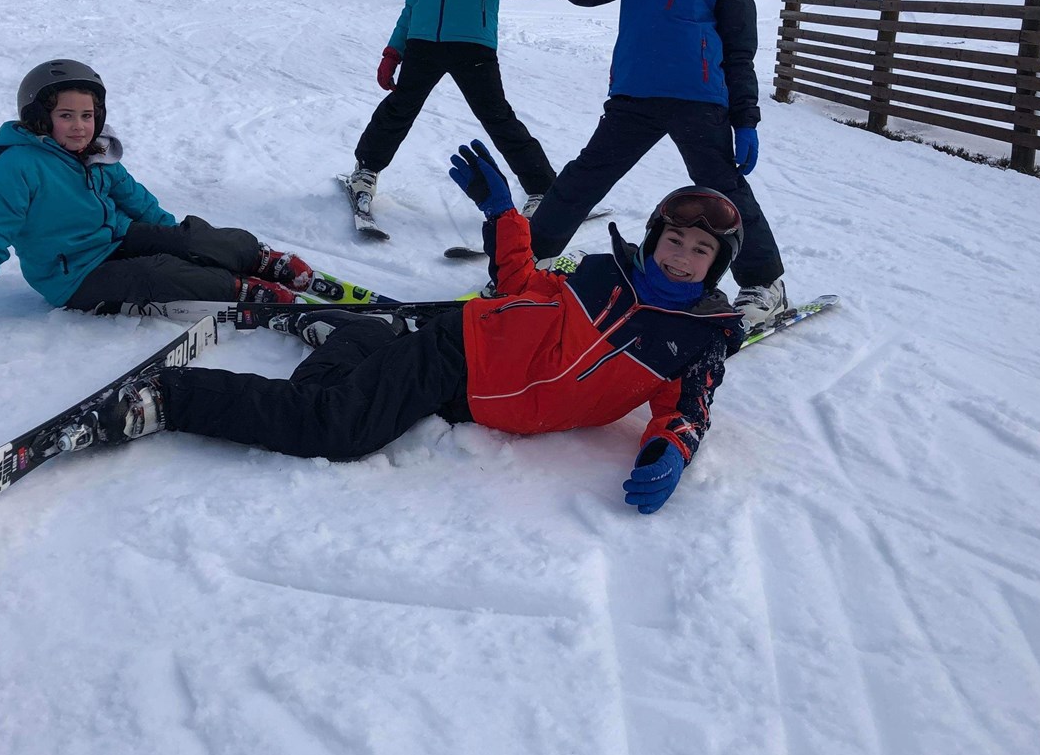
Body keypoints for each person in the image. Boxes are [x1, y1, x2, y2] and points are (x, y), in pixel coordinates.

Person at [84, 141, 745, 516]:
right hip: (463, 351)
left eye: (699, 251)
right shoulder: (606, 276)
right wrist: (502, 213)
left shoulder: (694, 343)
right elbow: (525, 283)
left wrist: (670, 453)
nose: (680, 257)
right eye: (675, 239)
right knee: (335, 428)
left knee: (351, 392)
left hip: (471, 395)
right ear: (656, 235)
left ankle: (361, 339)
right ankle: (168, 399)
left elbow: (687, 410)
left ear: (716, 267)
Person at [517, 0, 788, 330]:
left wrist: (746, 120)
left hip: (699, 103)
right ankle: (524, 261)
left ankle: (766, 284)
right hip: (634, 96)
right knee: (584, 178)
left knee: (726, 192)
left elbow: (740, 57)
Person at [0, 60, 312, 339]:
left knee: (180, 240)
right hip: (73, 276)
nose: (80, 127)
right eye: (66, 115)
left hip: (114, 239)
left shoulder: (96, 152)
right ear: (40, 117)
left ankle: (256, 258)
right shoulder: (18, 168)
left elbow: (135, 198)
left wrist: (187, 243)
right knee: (153, 273)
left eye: (87, 115)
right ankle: (240, 290)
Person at [344, 0, 557, 223]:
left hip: (473, 42)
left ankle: (543, 189)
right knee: (400, 108)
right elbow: (413, 2)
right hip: (424, 42)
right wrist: (394, 48)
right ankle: (365, 170)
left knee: (497, 117)